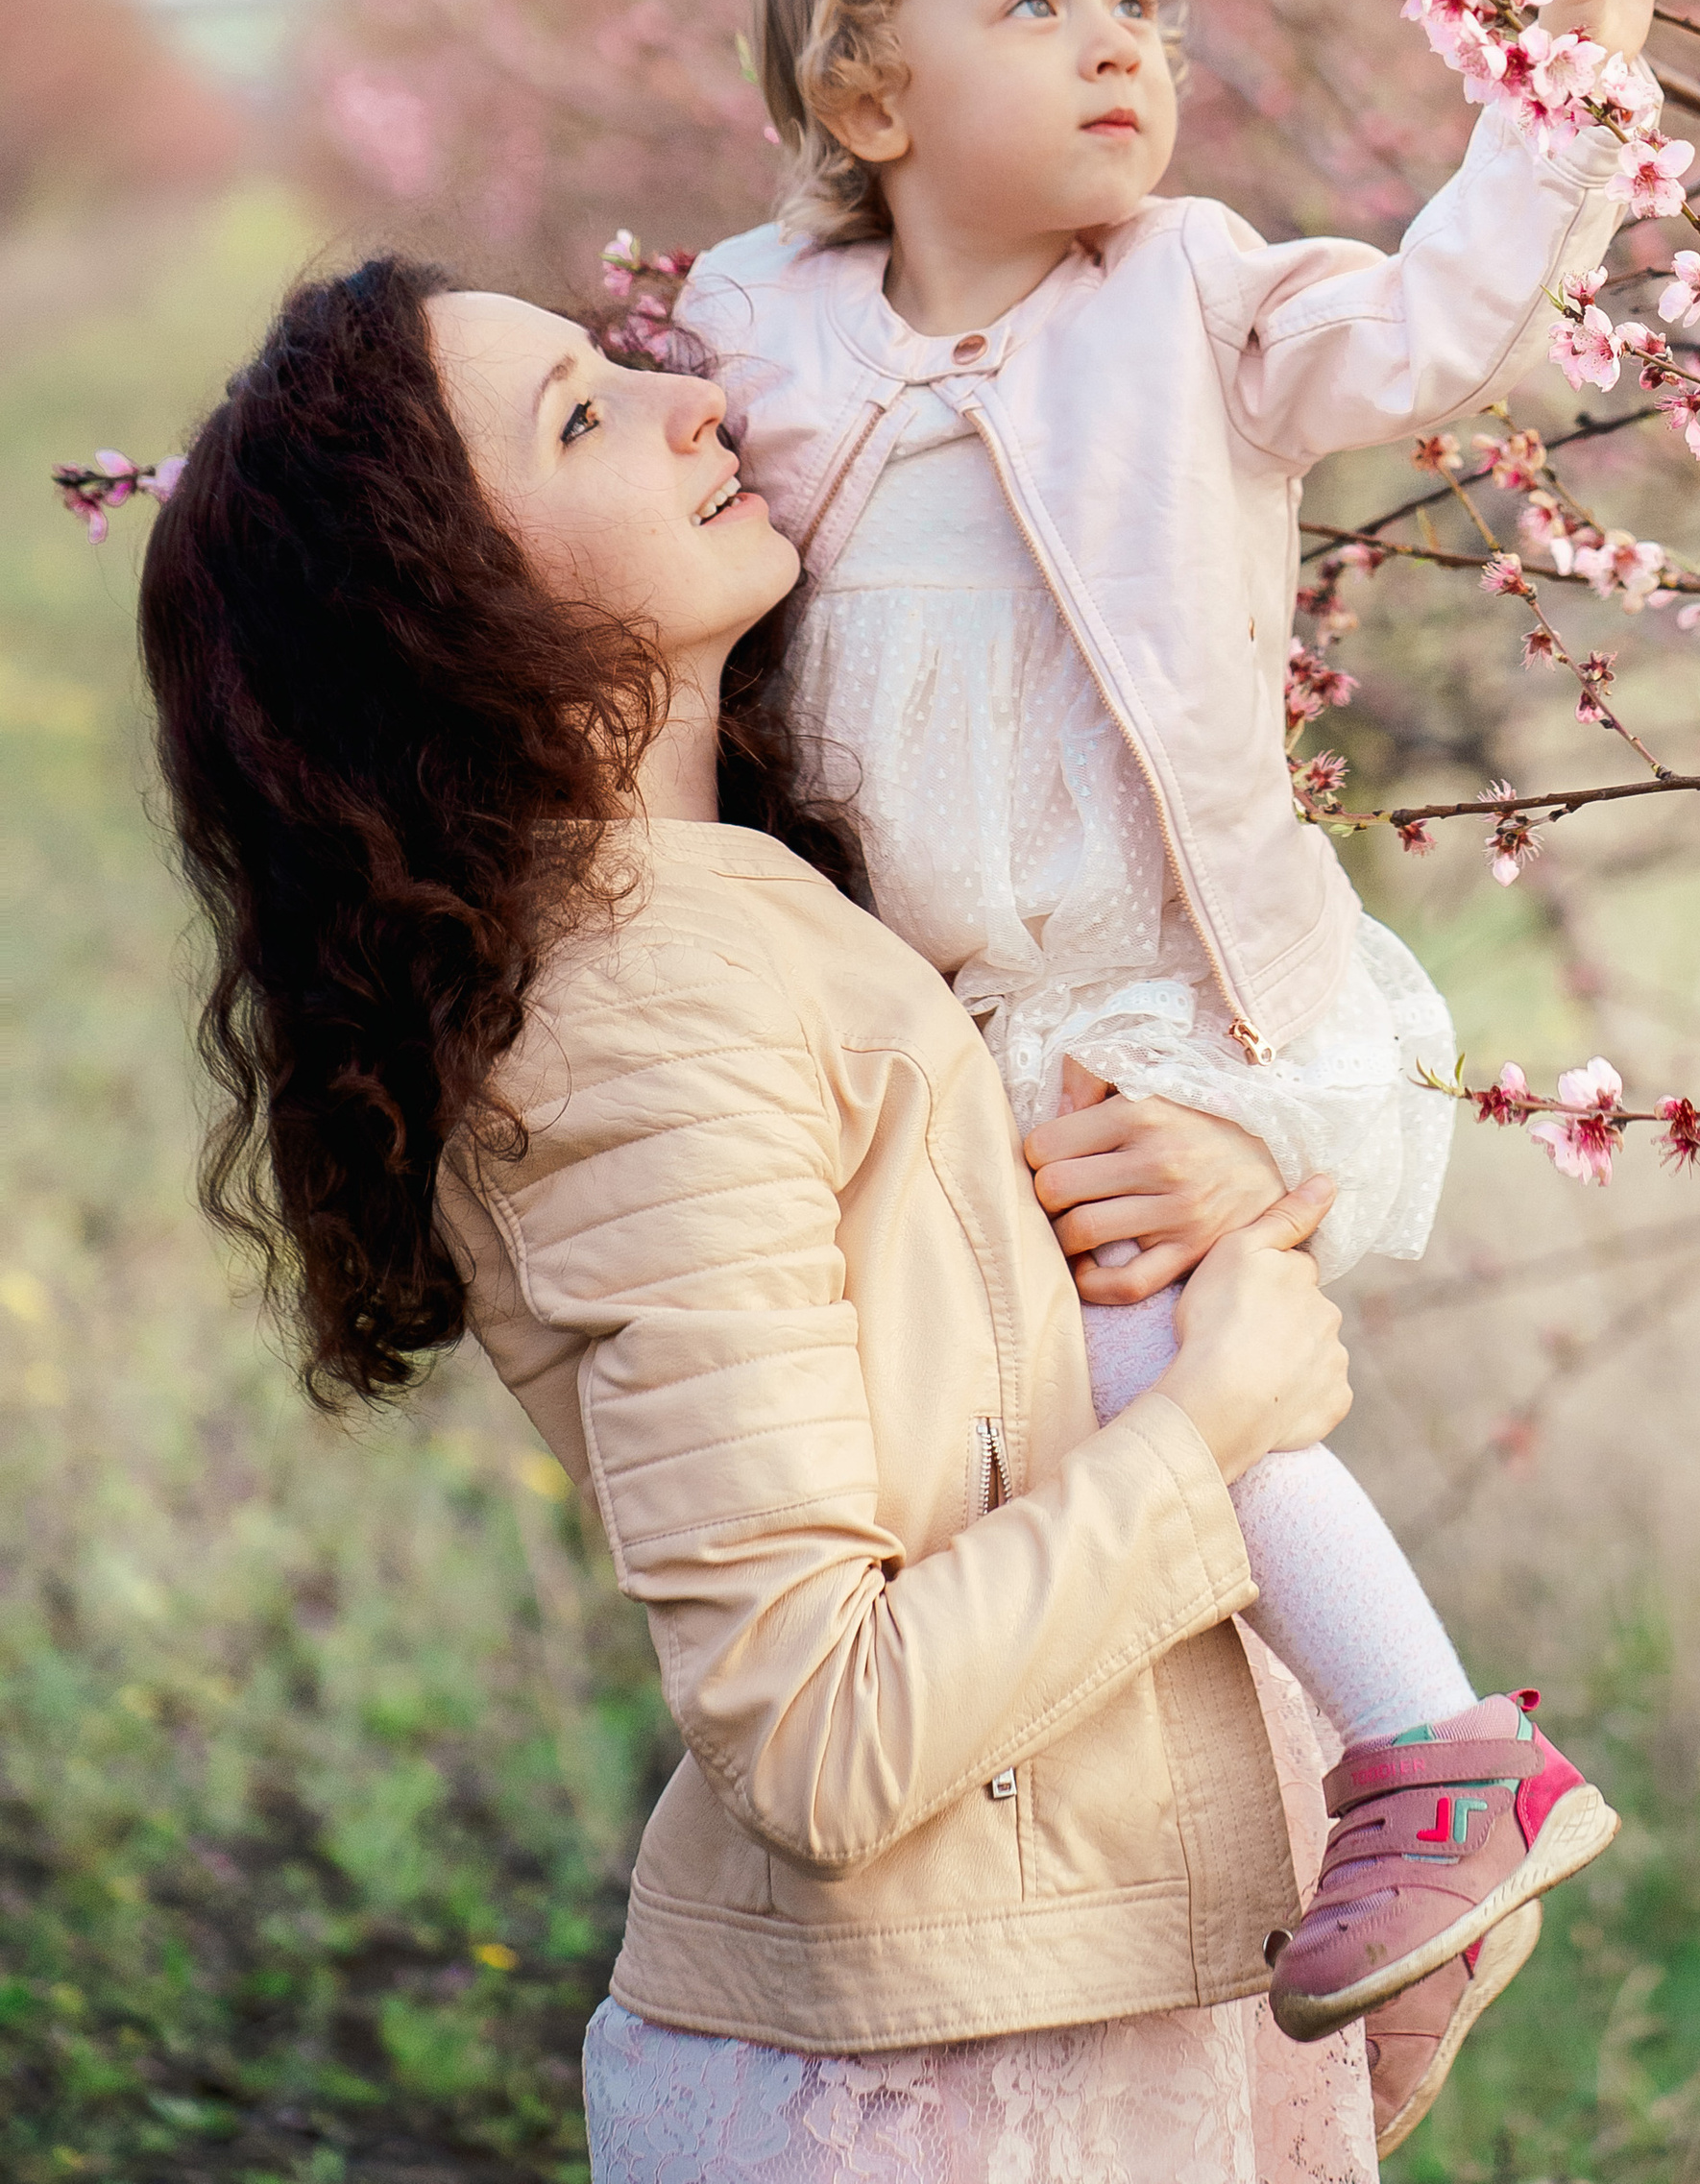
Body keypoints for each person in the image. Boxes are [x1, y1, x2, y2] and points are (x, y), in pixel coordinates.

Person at [136, 255, 1405, 2179]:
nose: (687, 402)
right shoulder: (639, 1010)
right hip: (940, 2092)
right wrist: (1210, 1423)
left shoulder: (762, 908)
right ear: (444, 612)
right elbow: (820, 1734)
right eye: (580, 416)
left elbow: (988, 1377)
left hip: (1074, 2009)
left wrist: (1202, 1197)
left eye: (625, 364)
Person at [675, 0, 1661, 2076]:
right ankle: (1146, 1936)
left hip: (1158, 994)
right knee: (994, 1465)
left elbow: (1442, 335)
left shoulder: (1201, 296)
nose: (1124, 40)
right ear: (865, 87)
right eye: (1038, 2)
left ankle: (1434, 1751)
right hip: (915, 1017)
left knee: (1145, 1348)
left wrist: (1565, 94)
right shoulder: (759, 329)